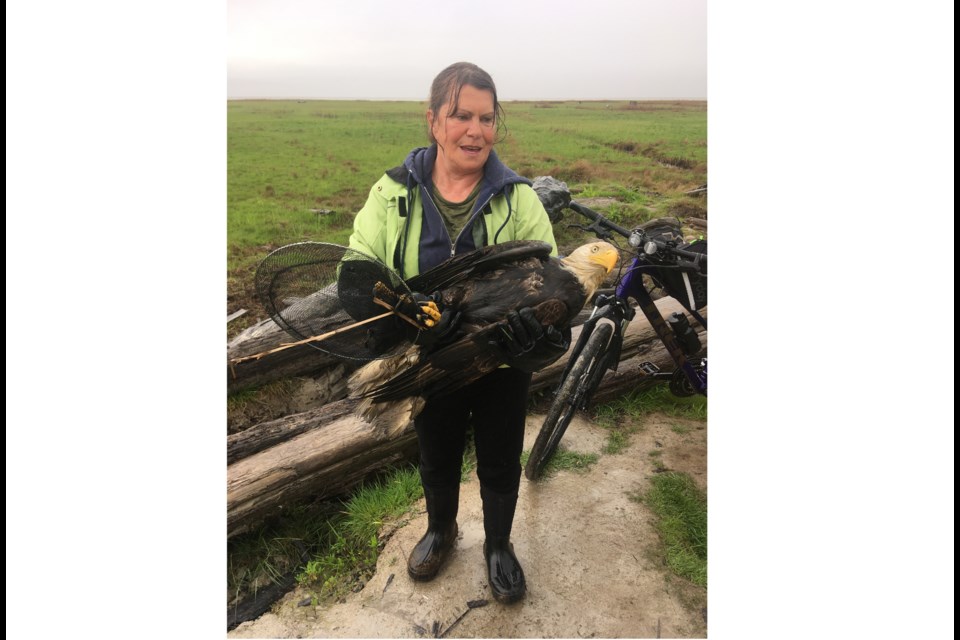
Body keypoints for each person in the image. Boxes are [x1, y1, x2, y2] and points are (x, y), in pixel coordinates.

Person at [346, 62, 568, 604]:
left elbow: (554, 286)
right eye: (461, 115)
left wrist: (531, 329)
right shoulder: (393, 193)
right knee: (436, 450)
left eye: (487, 118)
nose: (476, 130)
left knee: (499, 452)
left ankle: (498, 545)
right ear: (433, 121)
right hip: (429, 359)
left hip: (500, 361)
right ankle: (442, 531)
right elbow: (356, 271)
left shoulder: (519, 200)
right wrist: (409, 310)